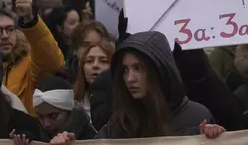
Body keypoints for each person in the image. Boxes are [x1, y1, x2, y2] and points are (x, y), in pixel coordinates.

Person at [50, 31, 215, 142]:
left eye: (138, 68)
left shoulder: (197, 118)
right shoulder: (121, 122)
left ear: (158, 70)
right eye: (125, 70)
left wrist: (215, 137)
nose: (129, 78)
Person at [0, 0, 64, 115]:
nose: (5, 36)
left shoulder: (29, 65)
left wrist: (30, 19)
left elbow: (53, 62)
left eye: (10, 29)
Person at [34, 76, 96, 140]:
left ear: (69, 112)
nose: (46, 124)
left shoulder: (92, 138)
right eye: (40, 116)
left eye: (53, 116)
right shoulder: (33, 135)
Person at [73, 43, 113, 116]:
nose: (95, 65)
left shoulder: (120, 105)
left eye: (103, 61)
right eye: (89, 61)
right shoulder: (72, 102)